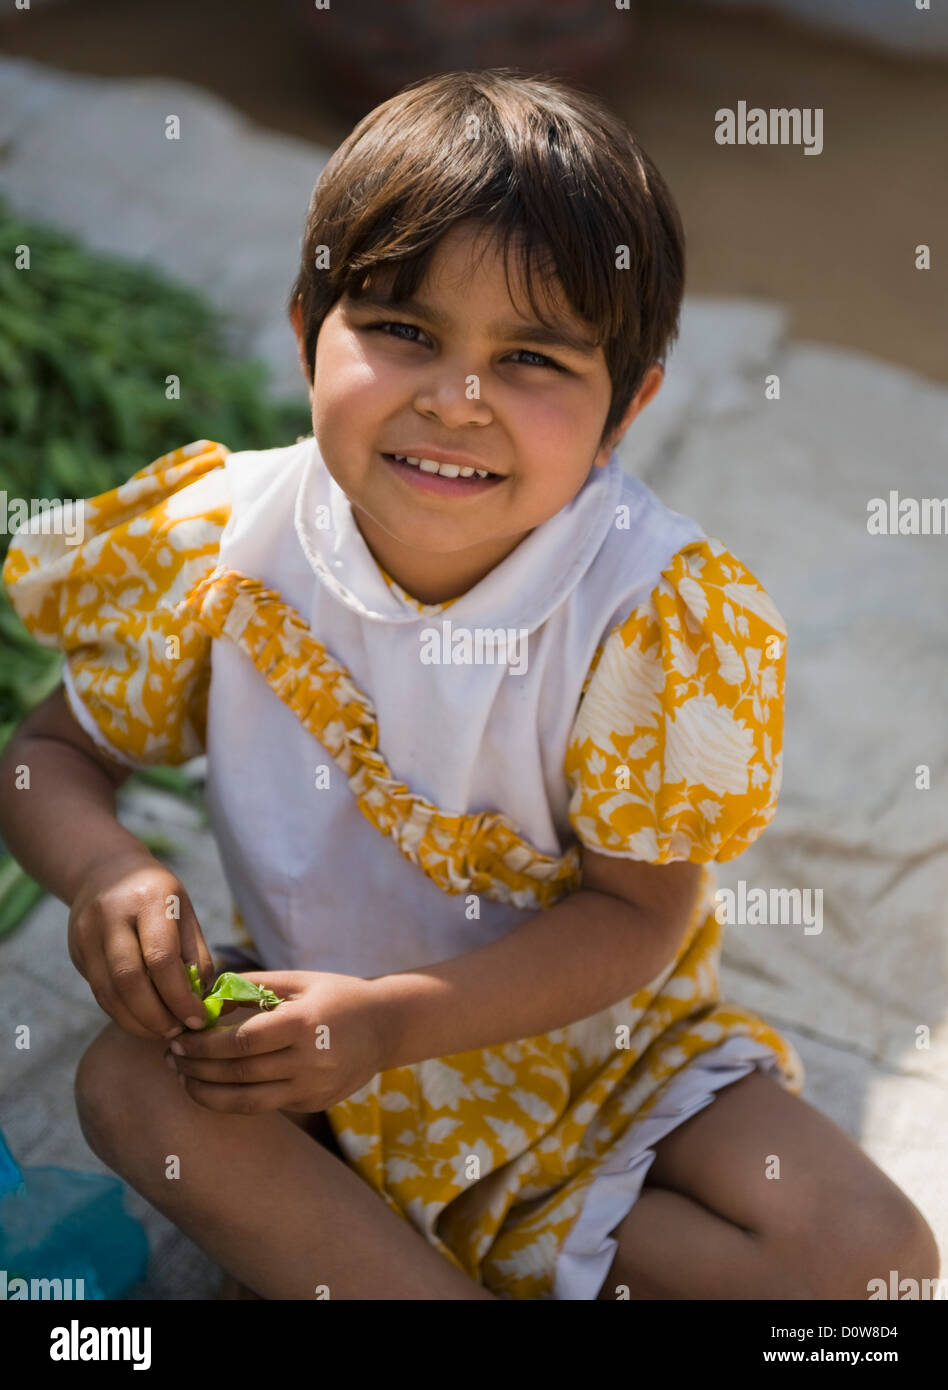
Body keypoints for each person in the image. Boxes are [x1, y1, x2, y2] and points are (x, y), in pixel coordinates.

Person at [0, 68, 937, 1302]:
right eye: (403, 331)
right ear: (305, 330)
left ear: (626, 409)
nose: (457, 399)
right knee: (126, 1084)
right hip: (307, 1039)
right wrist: (110, 874)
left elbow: (636, 917)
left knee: (874, 1262)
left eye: (533, 357)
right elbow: (47, 755)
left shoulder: (653, 613)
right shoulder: (225, 539)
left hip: (595, 1055)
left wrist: (394, 1022)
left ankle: (449, 1253)